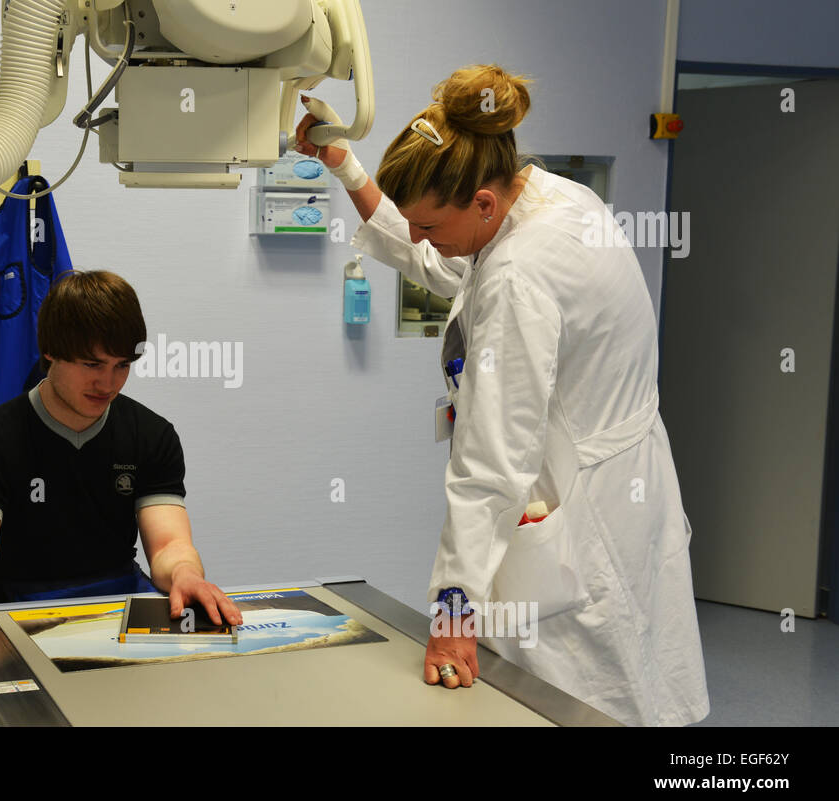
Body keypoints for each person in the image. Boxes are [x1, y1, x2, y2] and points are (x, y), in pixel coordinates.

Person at [295, 65, 709, 726]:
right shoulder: (549, 196)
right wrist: (347, 169)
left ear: (483, 204)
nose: (422, 241)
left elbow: (491, 466)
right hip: (609, 485)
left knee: (575, 704)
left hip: (581, 518)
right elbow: (450, 258)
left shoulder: (522, 277)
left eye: (430, 224)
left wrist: (453, 611)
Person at [0, 270, 243, 688]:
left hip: (119, 597)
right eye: (92, 364)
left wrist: (186, 574)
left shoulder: (151, 436)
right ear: (50, 352)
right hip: (20, 605)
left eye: (122, 366)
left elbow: (169, 544)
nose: (108, 383)